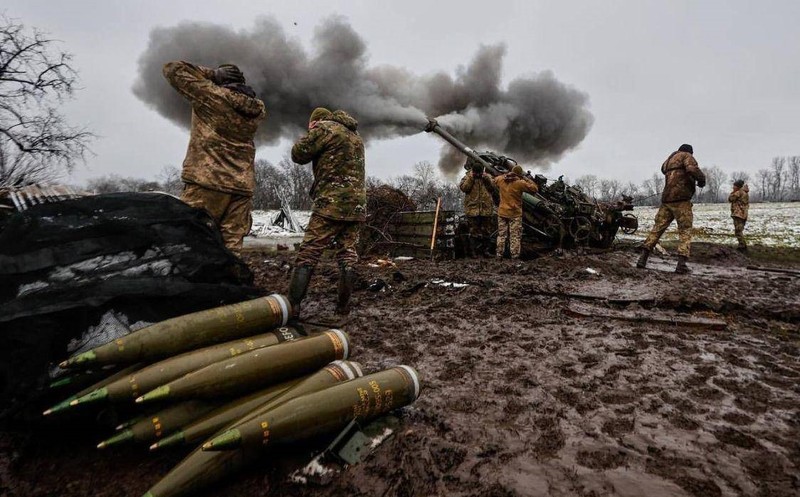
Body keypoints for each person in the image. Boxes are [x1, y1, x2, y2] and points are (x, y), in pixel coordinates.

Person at [163, 61, 266, 254]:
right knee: (231, 250)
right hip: (241, 187)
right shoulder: (257, 110)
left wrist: (210, 74)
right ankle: (230, 282)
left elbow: (172, 69)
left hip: (208, 182)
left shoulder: (212, 97)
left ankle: (196, 284)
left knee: (193, 243)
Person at [288, 107, 366, 319]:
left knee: (309, 253)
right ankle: (343, 308)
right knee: (348, 256)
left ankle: (292, 307)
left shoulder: (325, 128)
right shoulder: (355, 136)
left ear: (316, 121)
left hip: (331, 204)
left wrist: (314, 130)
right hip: (356, 206)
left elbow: (298, 154)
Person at [637, 144, 706, 274]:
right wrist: (702, 179)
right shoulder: (687, 156)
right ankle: (681, 265)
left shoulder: (669, 160)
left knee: (657, 229)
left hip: (667, 200)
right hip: (681, 200)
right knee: (685, 231)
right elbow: (692, 169)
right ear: (690, 152)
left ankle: (642, 259)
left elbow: (663, 169)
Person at [493, 164, 538, 259]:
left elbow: (493, 181)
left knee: (501, 235)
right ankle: (514, 256)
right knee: (515, 236)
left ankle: (499, 254)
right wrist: (526, 178)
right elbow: (535, 189)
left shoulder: (501, 179)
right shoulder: (520, 183)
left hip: (502, 212)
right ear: (519, 174)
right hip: (515, 214)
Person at [459, 158, 497, 257]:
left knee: (486, 232)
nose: (478, 175)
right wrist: (471, 178)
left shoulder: (487, 177)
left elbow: (493, 188)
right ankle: (473, 252)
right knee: (473, 232)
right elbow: (464, 188)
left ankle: (486, 251)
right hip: (473, 209)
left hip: (486, 209)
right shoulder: (467, 177)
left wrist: (486, 179)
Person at [728, 179, 749, 252]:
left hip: (738, 214)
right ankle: (742, 245)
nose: (733, 187)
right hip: (743, 214)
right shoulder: (744, 193)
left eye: (734, 186)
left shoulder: (738, 193)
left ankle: (742, 246)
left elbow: (730, 199)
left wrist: (733, 192)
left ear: (737, 186)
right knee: (739, 230)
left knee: (738, 231)